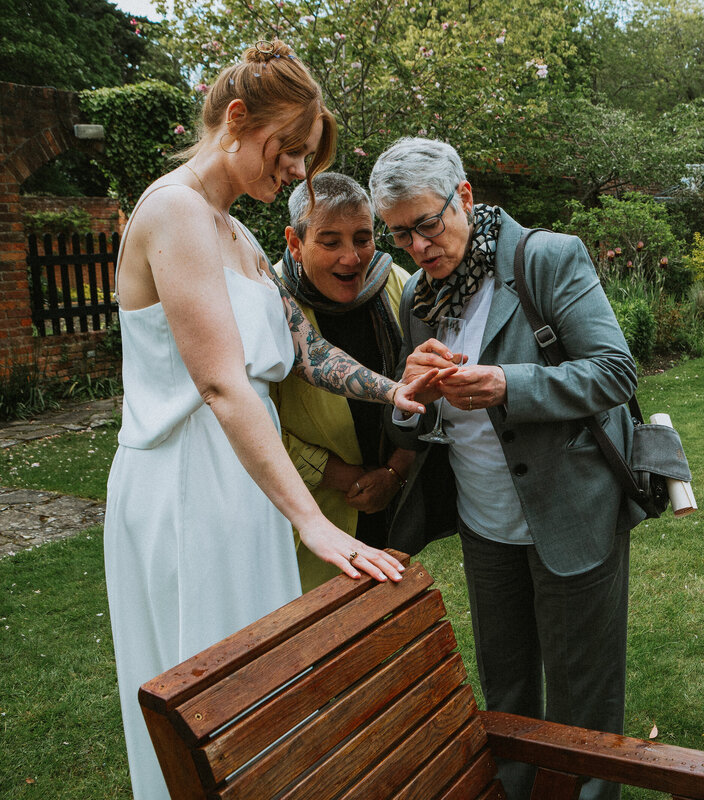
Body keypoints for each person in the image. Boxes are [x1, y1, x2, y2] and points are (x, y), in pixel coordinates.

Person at [103, 42, 447, 799]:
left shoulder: (240, 236)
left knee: (265, 699)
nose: (297, 170)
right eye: (288, 149)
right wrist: (313, 523)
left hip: (247, 487)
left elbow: (304, 352)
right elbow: (223, 385)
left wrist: (396, 392)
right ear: (235, 119)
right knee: (210, 702)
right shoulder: (174, 212)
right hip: (190, 488)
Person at [370, 137, 645, 800]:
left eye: (427, 225)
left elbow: (614, 371)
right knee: (508, 681)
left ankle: (589, 794)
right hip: (484, 521)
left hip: (570, 509)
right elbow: (411, 418)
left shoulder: (545, 259)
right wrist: (409, 398)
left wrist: (508, 384)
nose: (417, 247)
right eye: (400, 234)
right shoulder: (419, 300)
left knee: (583, 688)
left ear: (463, 196)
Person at [272, 172, 415, 590]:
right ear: (295, 243)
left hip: (391, 502)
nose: (352, 257)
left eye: (363, 238)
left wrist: (395, 473)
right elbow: (254, 421)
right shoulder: (270, 301)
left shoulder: (396, 284)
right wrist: (341, 477)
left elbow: (426, 393)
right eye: (330, 242)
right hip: (313, 511)